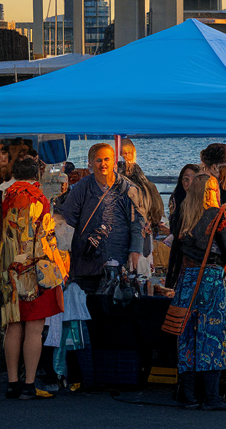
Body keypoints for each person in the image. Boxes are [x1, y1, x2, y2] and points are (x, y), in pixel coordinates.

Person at [169, 174, 226, 410]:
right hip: (210, 280)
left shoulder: (182, 213)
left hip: (186, 280)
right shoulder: (218, 214)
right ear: (212, 191)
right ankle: (212, 397)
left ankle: (189, 396)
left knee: (187, 337)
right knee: (212, 336)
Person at [3, 157, 65, 399]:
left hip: (8, 270)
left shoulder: (6, 197)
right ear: (37, 175)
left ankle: (12, 383)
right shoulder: (39, 198)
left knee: (13, 326)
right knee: (34, 328)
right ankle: (29, 384)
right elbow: (45, 239)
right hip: (33, 271)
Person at [57, 143, 145, 292]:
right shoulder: (82, 187)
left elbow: (137, 223)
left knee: (116, 301)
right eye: (98, 160)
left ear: (114, 161)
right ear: (90, 163)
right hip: (87, 261)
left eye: (106, 159)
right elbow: (68, 219)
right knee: (88, 302)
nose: (103, 164)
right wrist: (63, 252)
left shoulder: (127, 189)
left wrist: (136, 250)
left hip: (118, 260)